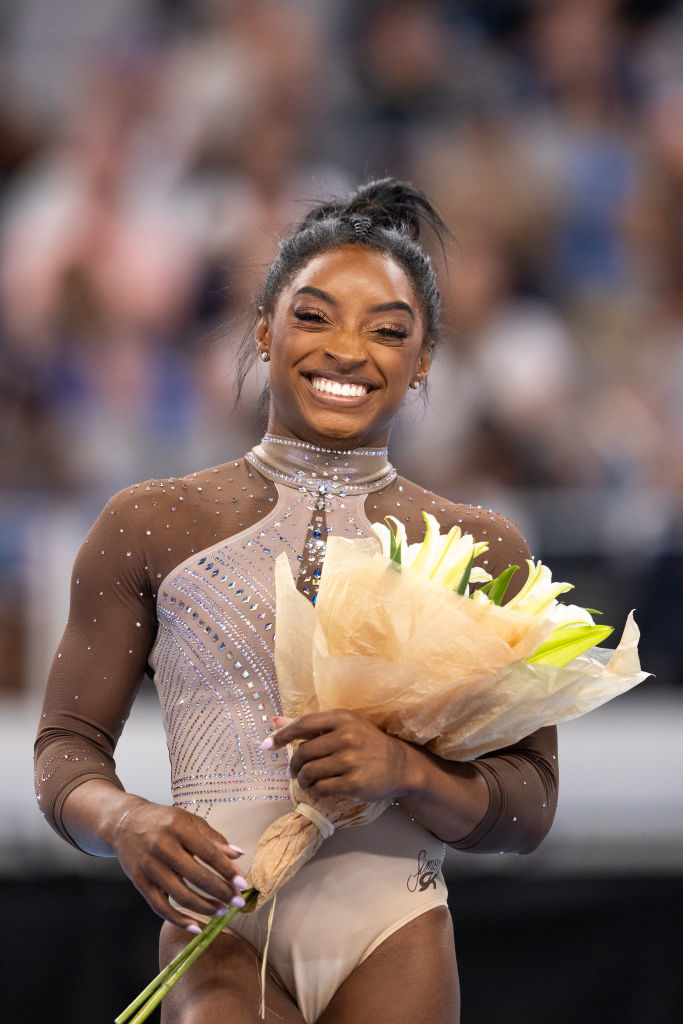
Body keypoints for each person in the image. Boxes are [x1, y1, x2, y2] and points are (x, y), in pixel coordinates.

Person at [35, 179, 558, 1024]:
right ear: (262, 330)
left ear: (424, 358)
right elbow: (65, 749)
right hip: (218, 924)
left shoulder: (476, 545)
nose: (347, 351)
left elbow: (528, 806)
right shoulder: (151, 524)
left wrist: (407, 773)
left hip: (393, 931)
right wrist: (126, 821)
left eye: (387, 330)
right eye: (314, 317)